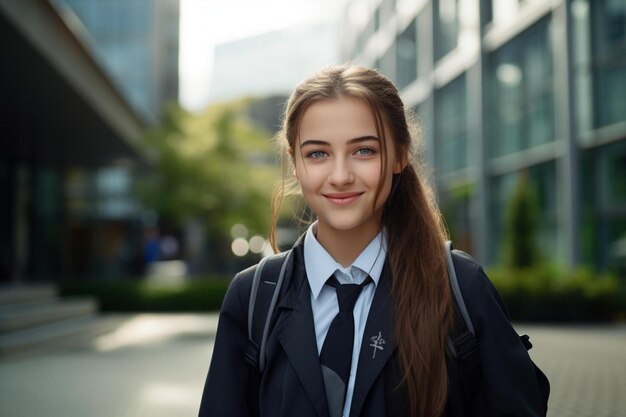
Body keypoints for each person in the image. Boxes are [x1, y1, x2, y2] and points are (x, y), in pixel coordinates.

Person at [198, 64, 548, 417]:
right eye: (317, 153)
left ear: (400, 155)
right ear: (295, 163)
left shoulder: (459, 287)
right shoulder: (254, 298)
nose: (340, 176)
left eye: (363, 150)